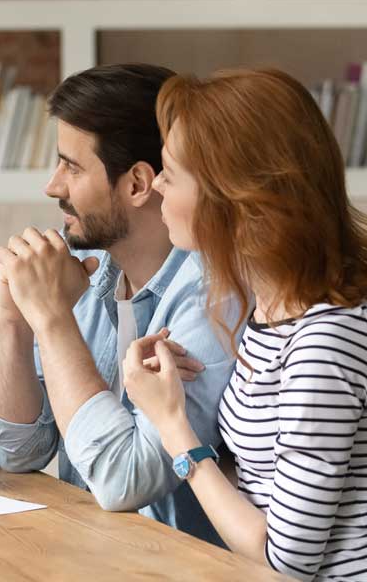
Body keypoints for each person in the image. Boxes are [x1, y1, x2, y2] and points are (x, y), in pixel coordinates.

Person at [124, 67, 367, 580]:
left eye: (171, 171)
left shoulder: (325, 339)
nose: (157, 186)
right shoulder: (271, 310)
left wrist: (173, 428)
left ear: (235, 200)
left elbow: (288, 559)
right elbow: (265, 486)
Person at [0, 63, 241, 544]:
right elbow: (20, 450)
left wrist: (53, 320)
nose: (53, 186)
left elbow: (127, 480)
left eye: (71, 166)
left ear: (139, 183)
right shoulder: (83, 265)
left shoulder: (214, 294)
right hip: (90, 557)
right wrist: (13, 320)